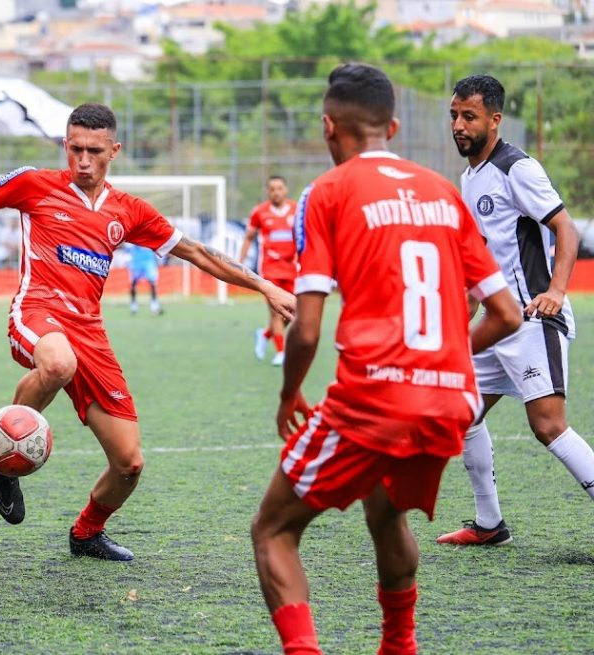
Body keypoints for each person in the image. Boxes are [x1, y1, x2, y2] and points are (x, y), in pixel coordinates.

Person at [0, 103, 295, 562]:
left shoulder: (128, 210)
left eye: (94, 151)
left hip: (90, 333)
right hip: (37, 311)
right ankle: (4, 452)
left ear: (114, 151)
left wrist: (264, 286)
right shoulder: (34, 184)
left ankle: (86, 534)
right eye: (75, 149)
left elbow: (197, 253)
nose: (83, 160)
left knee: (129, 463)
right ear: (65, 145)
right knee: (59, 364)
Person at [252, 64, 521, 655]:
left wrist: (288, 394)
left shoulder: (327, 192)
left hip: (375, 396)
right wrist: (444, 356)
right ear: (392, 127)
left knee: (272, 529)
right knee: (385, 513)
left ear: (329, 126)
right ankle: (400, 645)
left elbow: (305, 329)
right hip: (451, 399)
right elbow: (505, 314)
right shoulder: (444, 192)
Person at [437, 74, 594, 546]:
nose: (458, 125)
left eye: (469, 116)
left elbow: (566, 229)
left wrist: (557, 292)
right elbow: (482, 264)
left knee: (548, 426)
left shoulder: (517, 168)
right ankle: (490, 525)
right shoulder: (470, 178)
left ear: (495, 119)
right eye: (454, 116)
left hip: (530, 320)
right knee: (463, 416)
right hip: (495, 323)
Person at [239, 176, 298, 366]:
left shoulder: (296, 210)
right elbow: (249, 237)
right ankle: (281, 352)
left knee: (293, 311)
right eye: (272, 189)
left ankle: (264, 335)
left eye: (279, 188)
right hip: (270, 269)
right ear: (268, 192)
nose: (276, 192)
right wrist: (240, 262)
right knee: (275, 312)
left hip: (292, 269)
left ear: (285, 190)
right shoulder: (260, 212)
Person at [126, 244, 162, 315]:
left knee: (152, 283)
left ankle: (154, 305)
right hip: (137, 261)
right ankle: (133, 305)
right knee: (133, 283)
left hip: (149, 261)